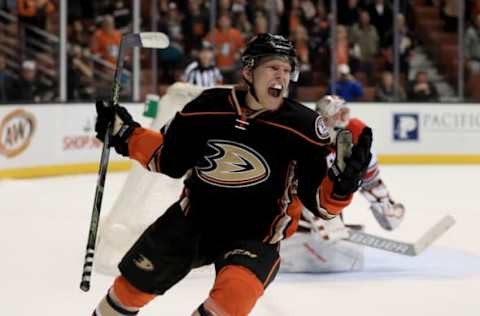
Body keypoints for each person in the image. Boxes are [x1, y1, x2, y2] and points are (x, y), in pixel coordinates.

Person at [92, 33, 372, 316]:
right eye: (273, 67)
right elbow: (170, 159)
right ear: (248, 70)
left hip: (256, 235)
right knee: (127, 293)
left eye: (287, 70)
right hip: (192, 223)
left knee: (230, 301)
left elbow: (320, 204)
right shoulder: (206, 107)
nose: (282, 76)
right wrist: (127, 135)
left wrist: (341, 187)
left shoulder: (304, 127)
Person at [281, 95, 405, 274]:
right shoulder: (306, 140)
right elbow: (296, 186)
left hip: (330, 201)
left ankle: (326, 224)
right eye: (337, 115)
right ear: (322, 119)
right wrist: (319, 217)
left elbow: (370, 180)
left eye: (344, 114)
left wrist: (385, 206)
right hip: (298, 207)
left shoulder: (357, 135)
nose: (343, 120)